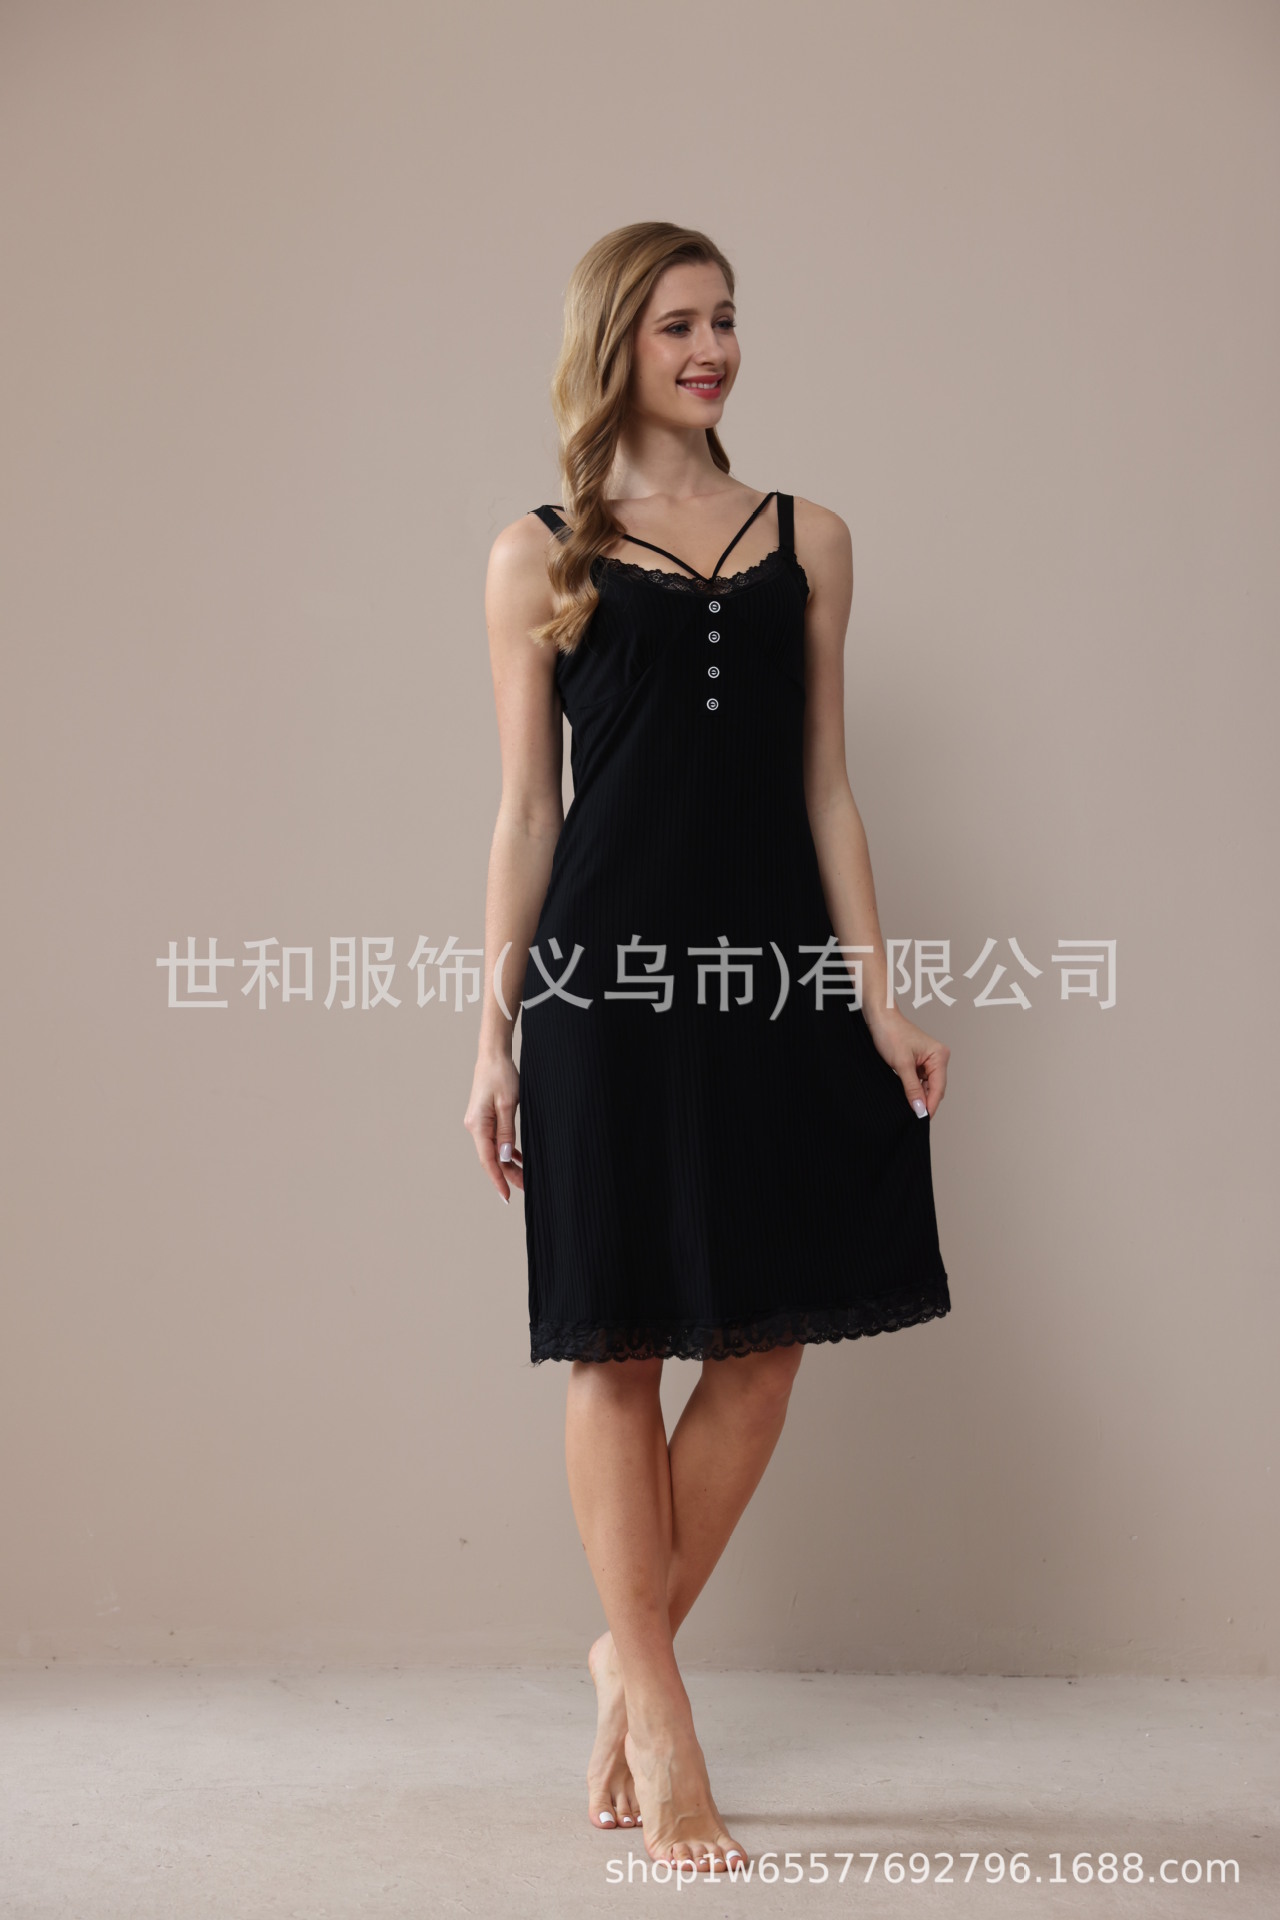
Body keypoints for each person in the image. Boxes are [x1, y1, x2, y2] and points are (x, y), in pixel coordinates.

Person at [464, 222, 952, 1878]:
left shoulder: (811, 538)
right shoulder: (539, 555)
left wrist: (879, 996)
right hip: (602, 987)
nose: (712, 348)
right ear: (614, 343)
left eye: (727, 319)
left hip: (775, 985)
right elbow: (528, 816)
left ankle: (625, 1654)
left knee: (762, 1346)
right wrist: (491, 1039)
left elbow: (827, 785)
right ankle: (668, 1727)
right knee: (614, 1346)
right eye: (678, 322)